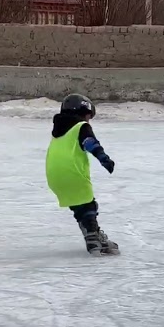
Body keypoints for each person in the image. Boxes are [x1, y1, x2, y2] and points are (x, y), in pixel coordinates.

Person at [45, 94, 120, 256]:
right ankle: (93, 236)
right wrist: (105, 160)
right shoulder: (80, 126)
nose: (88, 121)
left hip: (54, 176)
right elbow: (90, 143)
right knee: (89, 205)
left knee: (80, 206)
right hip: (74, 173)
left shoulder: (57, 130)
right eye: (88, 117)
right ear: (83, 112)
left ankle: (92, 232)